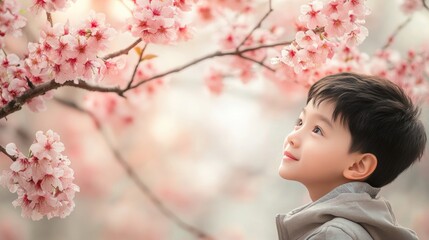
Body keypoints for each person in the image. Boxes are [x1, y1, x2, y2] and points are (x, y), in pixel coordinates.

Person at [276, 72, 427, 240]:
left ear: (358, 166)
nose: (292, 137)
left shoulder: (333, 234)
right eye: (300, 122)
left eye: (317, 130)